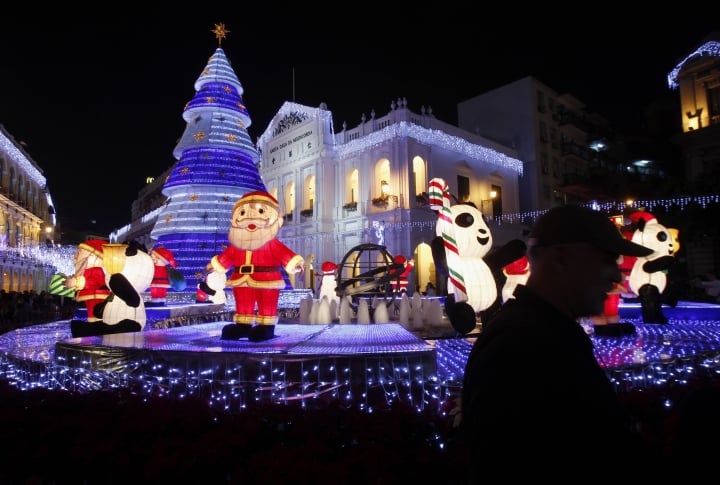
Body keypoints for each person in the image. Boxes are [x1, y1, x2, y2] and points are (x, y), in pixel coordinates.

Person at [459, 205, 658, 480]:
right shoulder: (522, 347)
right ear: (560, 259)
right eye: (606, 260)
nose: (617, 274)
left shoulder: (545, 333)